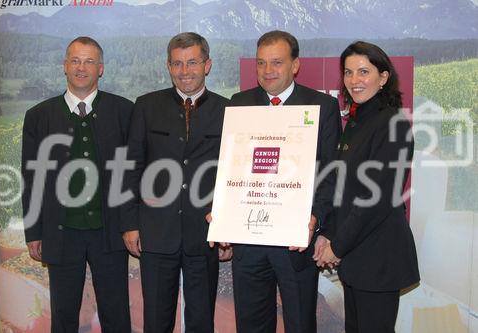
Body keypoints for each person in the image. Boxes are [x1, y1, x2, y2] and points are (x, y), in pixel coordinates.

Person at [229, 30, 341, 333]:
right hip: (249, 239)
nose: (268, 71)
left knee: (300, 322)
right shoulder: (239, 104)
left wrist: (316, 217)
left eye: (277, 62)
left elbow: (330, 171)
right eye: (261, 63)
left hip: (295, 240)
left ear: (295, 65)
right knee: (250, 323)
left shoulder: (321, 107)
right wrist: (224, 214)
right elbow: (229, 168)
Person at [21, 36, 133, 332]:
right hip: (60, 234)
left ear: (101, 69)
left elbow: (134, 173)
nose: (81, 68)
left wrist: (133, 224)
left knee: (117, 313)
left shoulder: (125, 111)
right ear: (65, 66)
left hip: (110, 234)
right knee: (64, 315)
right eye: (75, 60)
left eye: (89, 61)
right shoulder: (38, 116)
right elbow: (31, 178)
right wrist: (34, 230)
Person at [120, 32, 229, 332]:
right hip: (156, 234)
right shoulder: (146, 106)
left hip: (204, 234)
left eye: (192, 62)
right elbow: (131, 167)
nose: (185, 72)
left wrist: (228, 228)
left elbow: (232, 174)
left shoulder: (228, 110)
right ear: (168, 66)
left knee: (201, 320)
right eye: (177, 64)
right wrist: (129, 224)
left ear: (207, 65)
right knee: (156, 319)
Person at [316, 41, 420, 333]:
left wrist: (337, 246)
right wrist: (327, 233)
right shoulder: (356, 122)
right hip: (356, 258)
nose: (354, 80)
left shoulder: (393, 124)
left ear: (383, 77)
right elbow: (341, 187)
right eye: (348, 72)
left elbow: (376, 198)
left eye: (363, 71)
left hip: (378, 258)